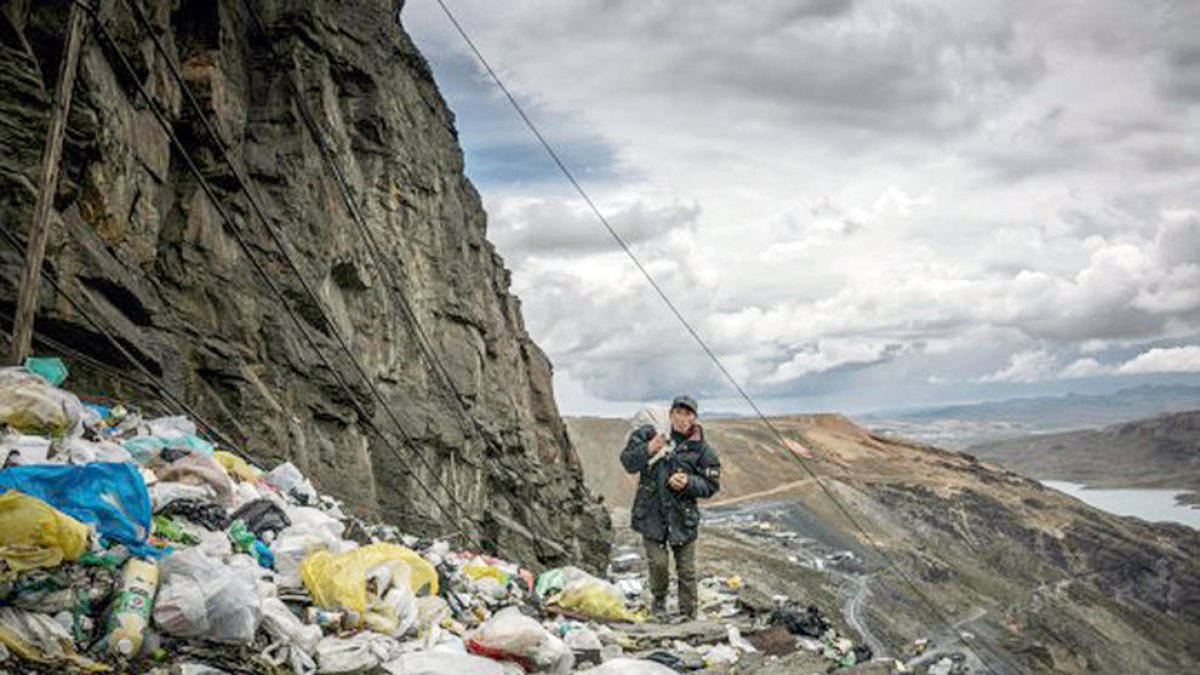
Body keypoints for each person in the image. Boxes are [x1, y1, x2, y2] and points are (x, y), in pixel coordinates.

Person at [621, 394, 721, 622]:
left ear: (694, 418)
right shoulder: (650, 433)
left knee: (686, 570)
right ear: (671, 414)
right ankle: (659, 604)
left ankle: (688, 613)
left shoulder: (701, 449)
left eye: (688, 414)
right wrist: (648, 448)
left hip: (682, 517)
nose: (682, 418)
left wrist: (688, 483)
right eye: (678, 412)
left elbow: (711, 485)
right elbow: (628, 462)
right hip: (651, 514)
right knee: (658, 564)